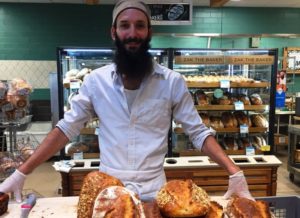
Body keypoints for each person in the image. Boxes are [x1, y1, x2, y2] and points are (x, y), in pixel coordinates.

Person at [0, 0, 254, 202]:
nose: (132, 33)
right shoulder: (95, 82)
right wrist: (23, 172)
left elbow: (198, 133)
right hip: (109, 190)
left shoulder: (172, 82)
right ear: (114, 32)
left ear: (149, 32)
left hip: (156, 192)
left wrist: (235, 172)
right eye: (124, 25)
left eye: (139, 26)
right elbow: (66, 129)